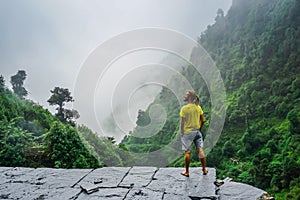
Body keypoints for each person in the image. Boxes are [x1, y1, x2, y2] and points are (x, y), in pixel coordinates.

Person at [180, 90, 208, 177]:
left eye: (186, 95)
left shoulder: (184, 109)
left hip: (187, 133)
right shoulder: (198, 107)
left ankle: (187, 172)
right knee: (200, 150)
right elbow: (202, 120)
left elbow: (182, 123)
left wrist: (182, 132)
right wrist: (199, 128)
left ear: (190, 97)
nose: (184, 96)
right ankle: (204, 169)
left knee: (187, 152)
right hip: (197, 132)